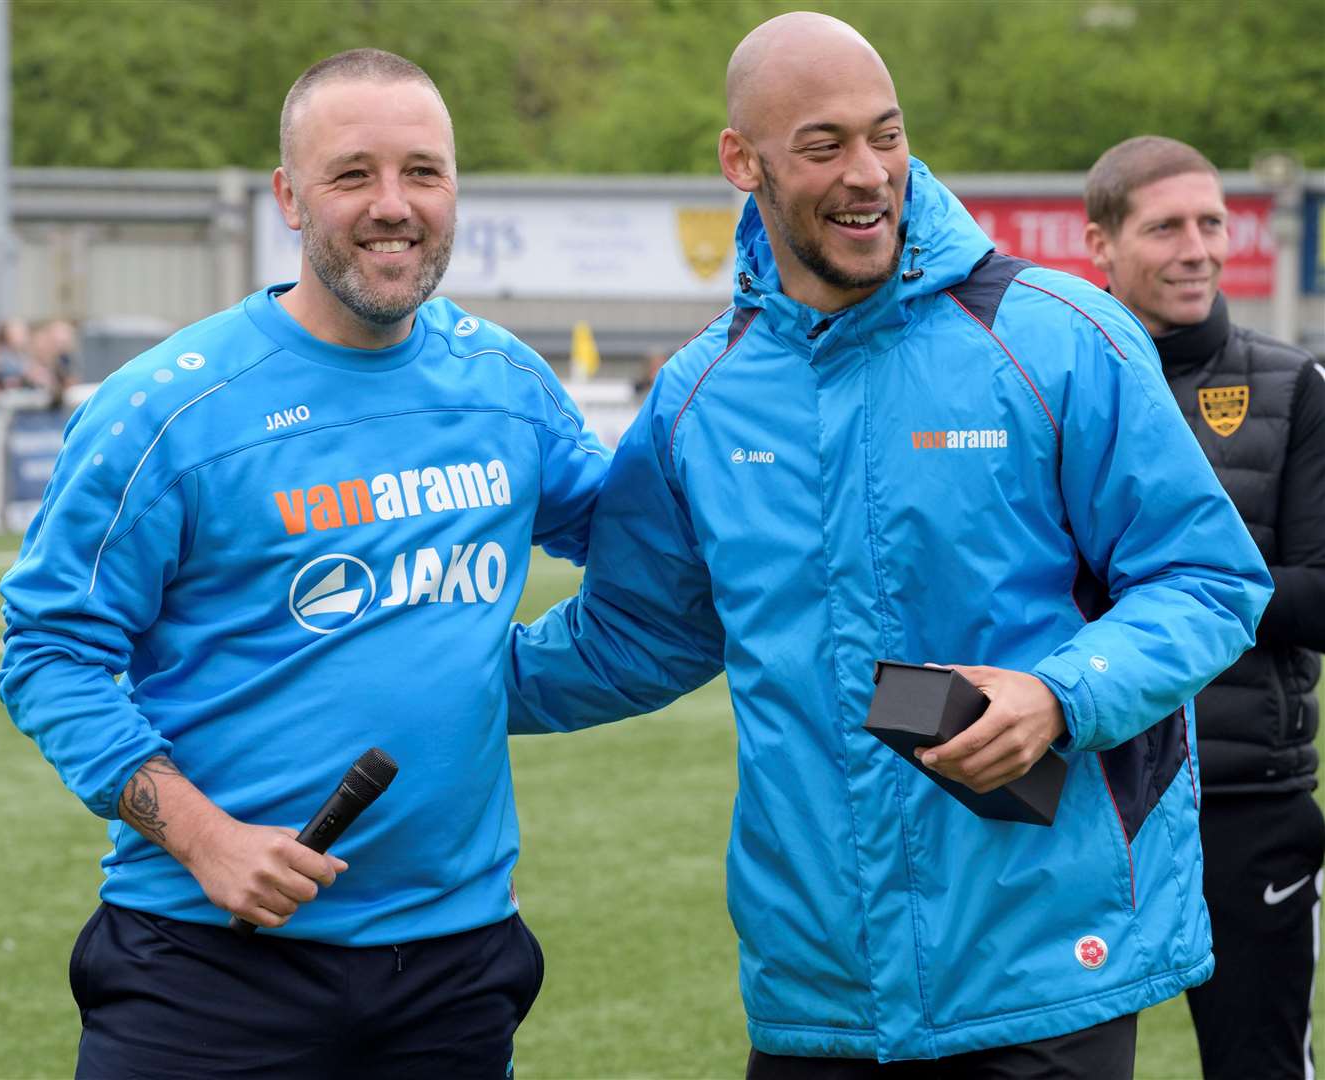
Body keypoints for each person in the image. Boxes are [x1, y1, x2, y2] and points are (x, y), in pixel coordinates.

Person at [505, 13, 1272, 1076]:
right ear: (743, 161)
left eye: (887, 136)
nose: (868, 174)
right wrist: (423, 675)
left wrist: (1056, 695)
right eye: (823, 146)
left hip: (1045, 969)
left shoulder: (1056, 334)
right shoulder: (697, 399)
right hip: (817, 986)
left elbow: (1207, 579)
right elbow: (634, 638)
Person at [0, 48, 608, 1078]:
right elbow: (48, 652)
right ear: (288, 195)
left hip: (452, 969)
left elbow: (643, 556)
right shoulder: (167, 407)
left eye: (423, 171)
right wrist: (202, 838)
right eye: (350, 174)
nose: (393, 205)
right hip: (203, 968)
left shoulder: (505, 384)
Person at [1084, 136, 1325, 1080]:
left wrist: (1182, 595)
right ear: (1099, 244)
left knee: (1261, 1067)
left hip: (1245, 801)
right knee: (1058, 1065)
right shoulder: (1048, 383)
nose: (1198, 247)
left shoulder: (1293, 385)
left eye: (1212, 222)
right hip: (1088, 798)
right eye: (1166, 226)